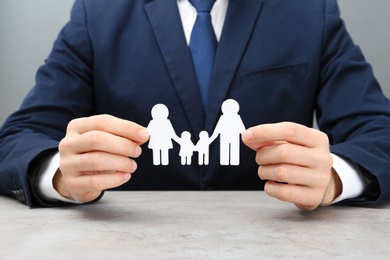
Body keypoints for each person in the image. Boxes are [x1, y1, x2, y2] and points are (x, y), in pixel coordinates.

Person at [1, 0, 390, 211]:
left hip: (278, 238)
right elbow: (16, 138)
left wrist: (336, 177)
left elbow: (380, 133)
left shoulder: (309, 12)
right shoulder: (96, 14)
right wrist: (59, 174)